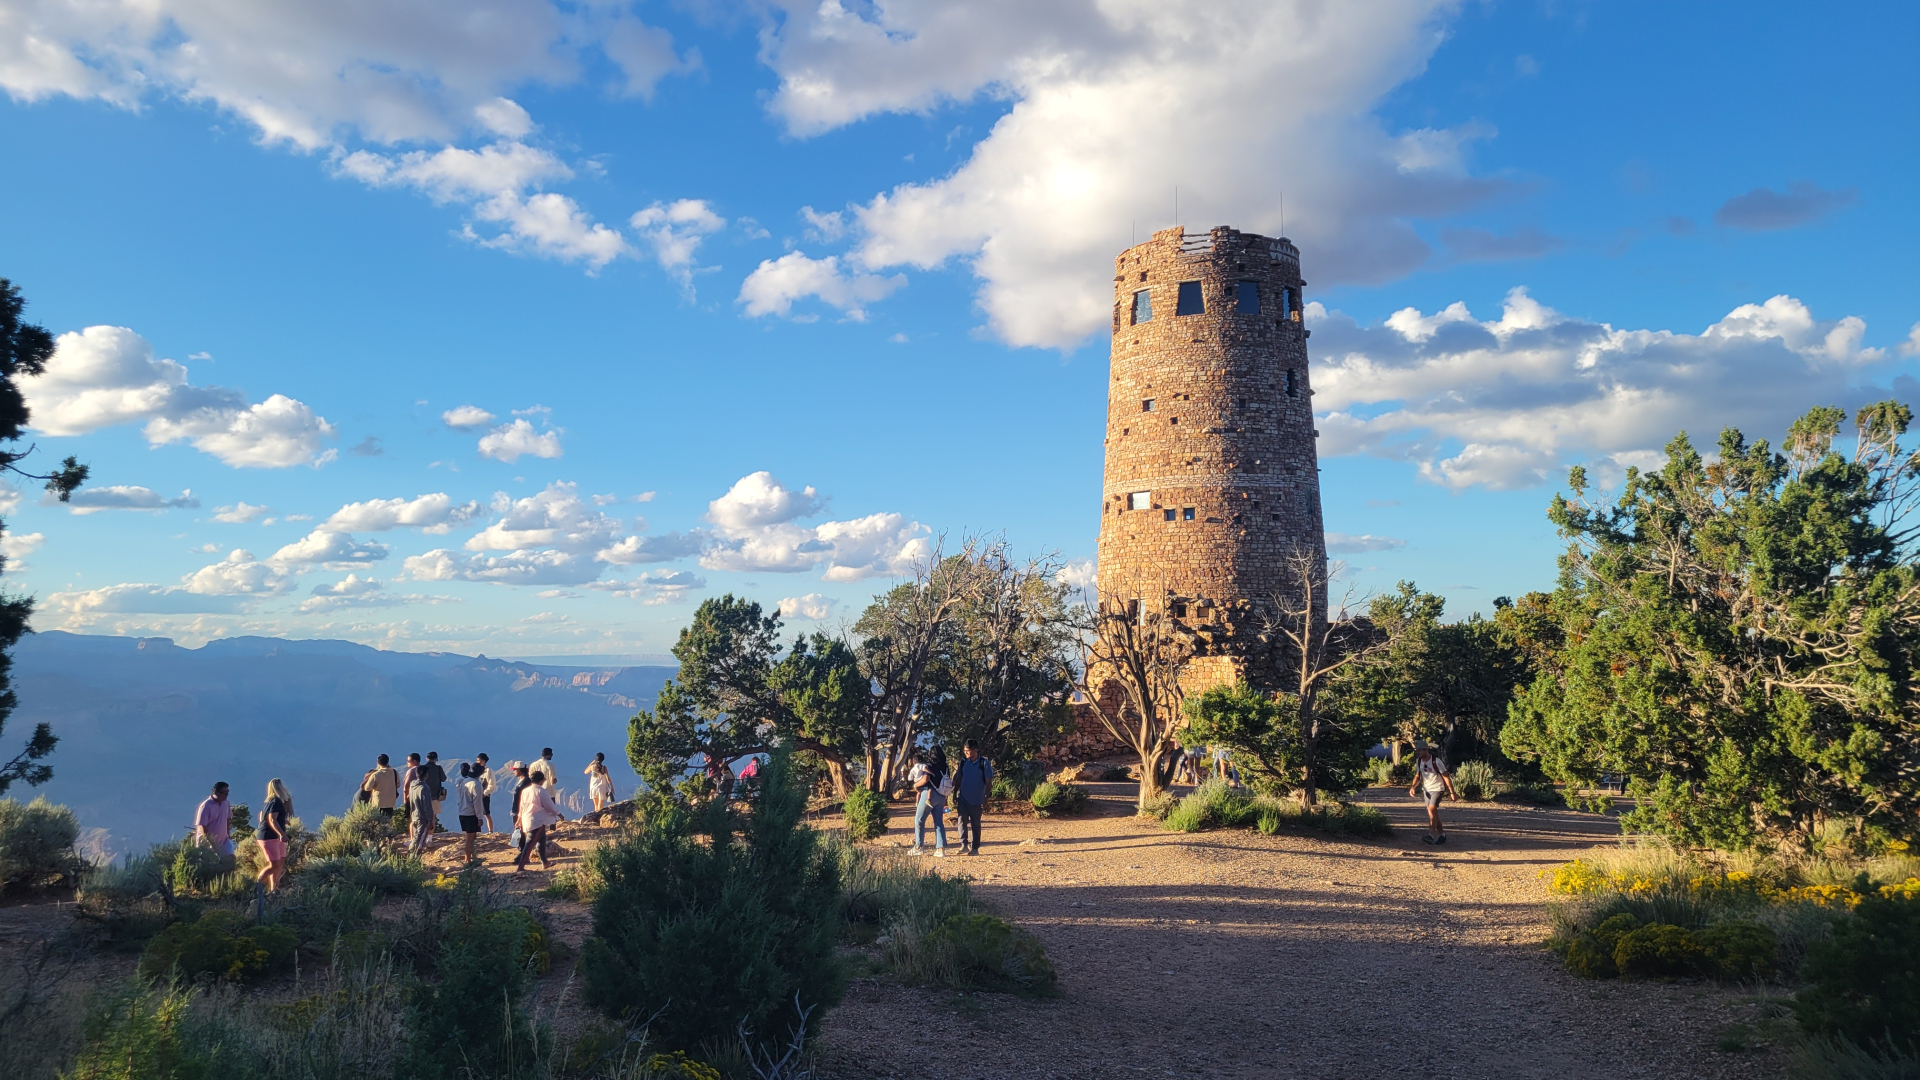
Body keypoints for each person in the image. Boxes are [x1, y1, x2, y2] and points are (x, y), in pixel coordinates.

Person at [514, 768, 563, 873]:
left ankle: (545, 862)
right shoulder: (541, 791)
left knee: (541, 840)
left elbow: (521, 806)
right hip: (537, 820)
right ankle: (520, 867)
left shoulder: (525, 791)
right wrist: (559, 814)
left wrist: (519, 819)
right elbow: (549, 805)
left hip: (527, 818)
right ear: (541, 780)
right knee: (530, 843)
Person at [1408, 740, 1457, 844]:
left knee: (1431, 808)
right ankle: (1442, 835)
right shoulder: (1419, 761)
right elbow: (1418, 775)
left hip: (1438, 789)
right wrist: (1413, 787)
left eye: (1419, 750)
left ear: (1426, 750)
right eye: (1417, 751)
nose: (1418, 753)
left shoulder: (1437, 762)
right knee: (1433, 813)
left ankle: (1431, 834)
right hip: (1426, 790)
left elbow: (1446, 777)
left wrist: (1452, 792)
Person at [952, 739, 994, 856]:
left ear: (975, 750)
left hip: (977, 800)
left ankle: (975, 847)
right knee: (961, 821)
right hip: (963, 798)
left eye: (968, 751)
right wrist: (955, 794)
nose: (966, 754)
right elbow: (959, 778)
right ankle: (963, 845)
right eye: (965, 751)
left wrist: (986, 798)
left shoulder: (984, 763)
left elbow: (988, 781)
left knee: (975, 823)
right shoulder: (963, 762)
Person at [908, 748, 949, 857]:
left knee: (919, 820)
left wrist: (915, 785)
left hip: (929, 795)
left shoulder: (929, 765)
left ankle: (918, 847)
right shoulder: (945, 767)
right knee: (938, 822)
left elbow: (926, 779)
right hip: (941, 796)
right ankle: (941, 849)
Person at [256, 778, 293, 893]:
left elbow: (262, 816)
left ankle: (274, 890)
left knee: (280, 863)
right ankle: (257, 885)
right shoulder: (275, 801)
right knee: (274, 865)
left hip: (274, 837)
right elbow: (272, 820)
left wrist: (283, 822)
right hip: (269, 837)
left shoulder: (268, 801)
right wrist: (281, 834)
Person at [402, 752, 436, 855]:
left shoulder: (413, 785)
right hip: (423, 818)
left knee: (416, 838)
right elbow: (427, 806)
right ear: (426, 775)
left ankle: (411, 857)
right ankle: (414, 860)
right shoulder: (424, 788)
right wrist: (430, 820)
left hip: (414, 815)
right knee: (420, 842)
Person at [455, 763, 484, 864]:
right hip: (471, 814)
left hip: (462, 812)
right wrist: (480, 817)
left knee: (471, 836)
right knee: (470, 838)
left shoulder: (465, 781)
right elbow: (477, 803)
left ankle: (472, 857)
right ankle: (467, 860)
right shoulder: (476, 785)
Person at [193, 782, 233, 855]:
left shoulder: (226, 803)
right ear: (217, 792)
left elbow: (228, 818)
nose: (226, 795)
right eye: (224, 793)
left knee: (231, 858)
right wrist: (211, 842)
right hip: (207, 844)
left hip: (224, 841)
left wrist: (228, 833)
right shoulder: (206, 806)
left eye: (227, 793)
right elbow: (202, 826)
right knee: (210, 864)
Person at [424, 751, 449, 822]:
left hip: (424, 795)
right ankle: (431, 832)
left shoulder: (423, 768)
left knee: (424, 816)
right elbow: (443, 779)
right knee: (433, 816)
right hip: (435, 795)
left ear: (426, 758)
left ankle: (424, 831)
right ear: (436, 759)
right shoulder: (438, 768)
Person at [473, 752, 495, 832]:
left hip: (484, 795)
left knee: (486, 813)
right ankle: (476, 830)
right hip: (476, 794)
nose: (477, 762)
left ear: (483, 761)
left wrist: (485, 793)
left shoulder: (488, 771)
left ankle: (490, 831)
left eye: (479, 760)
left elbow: (491, 784)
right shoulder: (476, 770)